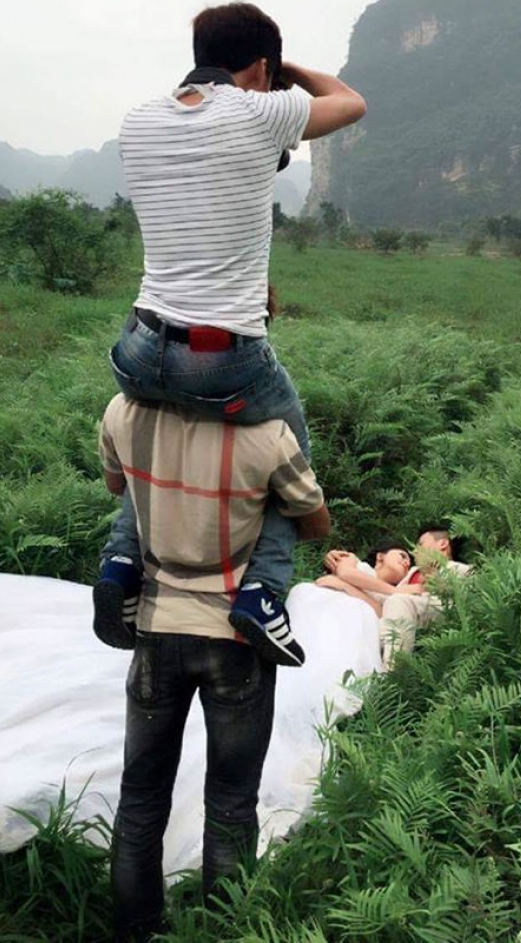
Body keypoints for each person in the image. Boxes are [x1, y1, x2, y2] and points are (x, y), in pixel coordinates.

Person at [93, 2, 366, 666]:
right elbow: (350, 103)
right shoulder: (259, 109)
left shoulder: (139, 119)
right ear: (262, 69)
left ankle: (121, 560)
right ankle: (263, 595)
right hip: (220, 360)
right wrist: (289, 73)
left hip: (136, 349)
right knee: (286, 457)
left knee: (149, 439)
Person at [98, 392, 330, 942]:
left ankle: (137, 932)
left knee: (140, 799)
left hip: (156, 630)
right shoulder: (269, 433)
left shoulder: (124, 412)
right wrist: (268, 499)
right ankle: (225, 932)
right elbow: (316, 522)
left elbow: (118, 485)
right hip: (234, 641)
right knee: (230, 802)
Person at [317, 528, 469, 669]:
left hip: (438, 615)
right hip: (388, 621)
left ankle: (393, 677)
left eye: (420, 544)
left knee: (396, 603)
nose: (414, 552)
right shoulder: (408, 577)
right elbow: (384, 604)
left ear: (442, 544)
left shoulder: (459, 570)